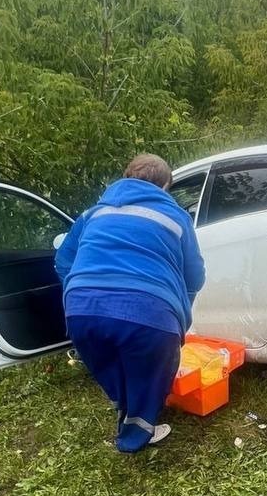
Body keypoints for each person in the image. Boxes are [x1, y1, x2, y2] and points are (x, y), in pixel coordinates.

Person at [54, 154, 205, 453]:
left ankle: (125, 412)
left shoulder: (93, 213)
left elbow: (62, 261)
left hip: (81, 311)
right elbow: (195, 275)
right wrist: (178, 307)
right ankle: (135, 435)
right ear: (164, 186)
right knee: (154, 366)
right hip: (148, 310)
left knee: (110, 362)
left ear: (125, 177)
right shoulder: (176, 218)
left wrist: (84, 293)